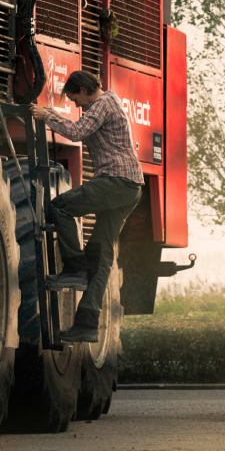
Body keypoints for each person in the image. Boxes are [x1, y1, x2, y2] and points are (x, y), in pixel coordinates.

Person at [34, 70, 145, 344]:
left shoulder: (102, 104)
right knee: (101, 256)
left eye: (75, 99)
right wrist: (53, 113)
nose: (77, 106)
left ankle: (74, 267)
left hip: (117, 182)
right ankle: (87, 324)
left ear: (84, 89)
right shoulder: (107, 102)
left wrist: (46, 116)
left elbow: (76, 132)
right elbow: (80, 126)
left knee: (60, 206)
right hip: (130, 187)